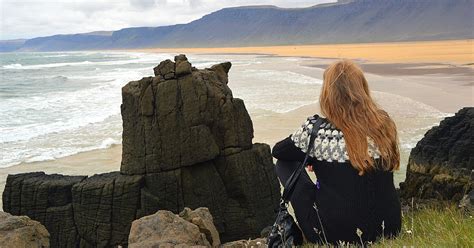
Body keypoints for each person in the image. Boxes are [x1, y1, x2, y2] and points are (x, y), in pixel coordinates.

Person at [272, 60, 401, 245]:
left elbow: (279, 152)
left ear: (327, 93)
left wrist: (311, 156)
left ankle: (313, 224)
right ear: (362, 89)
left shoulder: (316, 131)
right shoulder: (383, 124)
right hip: (388, 228)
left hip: (336, 235)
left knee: (284, 164)